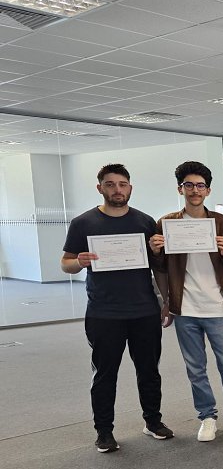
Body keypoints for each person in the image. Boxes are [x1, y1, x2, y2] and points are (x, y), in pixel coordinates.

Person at [60, 163, 172, 452]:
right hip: (104, 313)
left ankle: (153, 422)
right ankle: (104, 431)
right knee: (105, 374)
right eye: (110, 184)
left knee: (149, 371)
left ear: (130, 188)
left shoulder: (145, 222)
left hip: (144, 310)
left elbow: (157, 266)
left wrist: (166, 301)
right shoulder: (83, 223)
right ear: (100, 188)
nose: (117, 190)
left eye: (122, 184)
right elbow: (66, 264)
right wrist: (79, 262)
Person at [149, 161, 223, 442]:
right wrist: (156, 253)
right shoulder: (167, 223)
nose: (195, 190)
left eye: (200, 186)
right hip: (184, 308)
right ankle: (207, 417)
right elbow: (160, 267)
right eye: (189, 185)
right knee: (196, 369)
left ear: (208, 190)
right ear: (180, 189)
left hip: (217, 305)